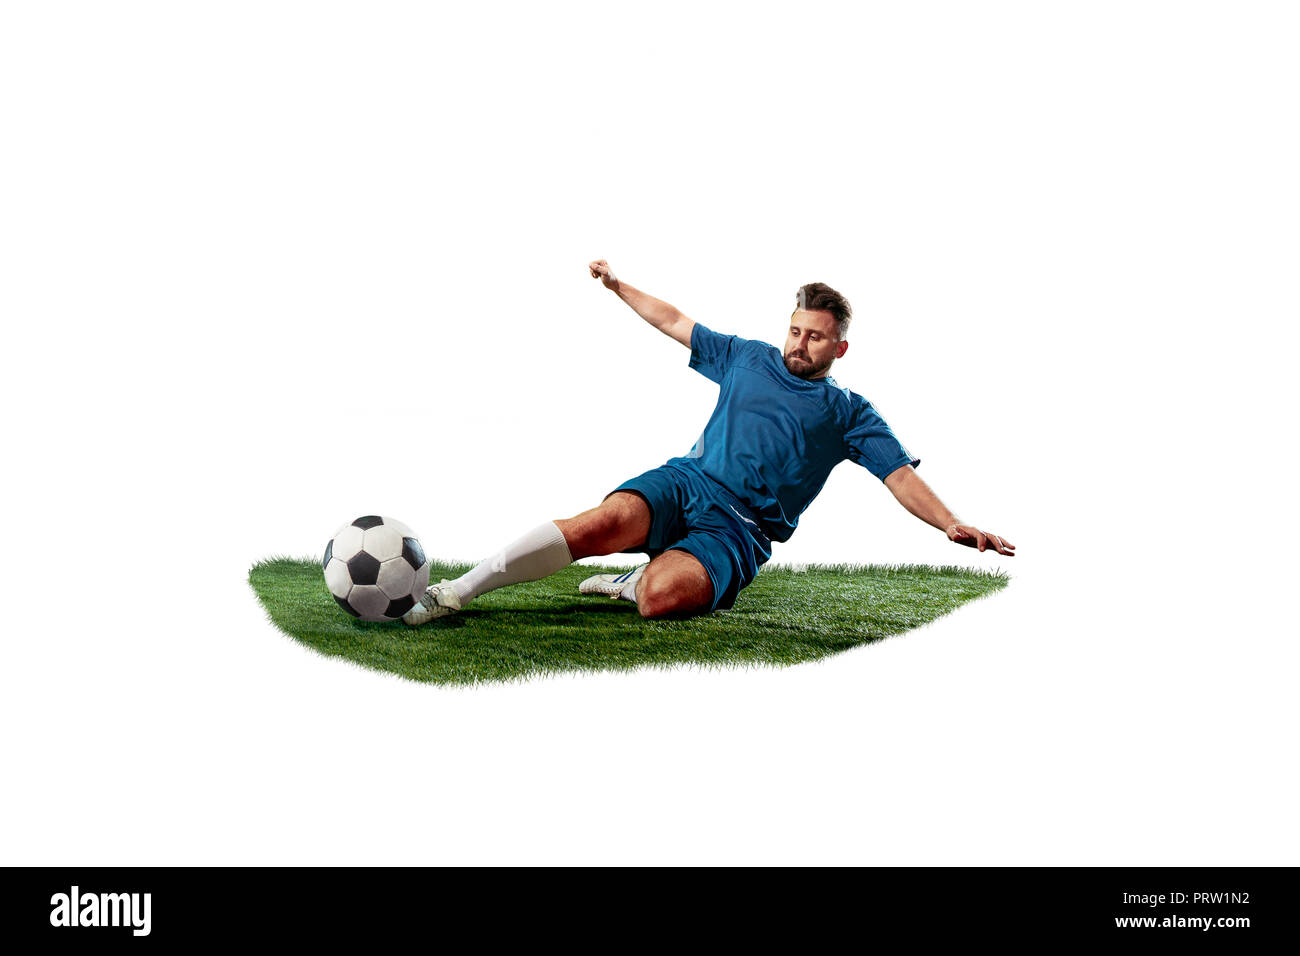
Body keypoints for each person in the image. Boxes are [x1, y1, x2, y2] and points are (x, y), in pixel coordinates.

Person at [403, 260, 1014, 626]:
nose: (799, 343)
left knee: (661, 598)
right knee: (601, 522)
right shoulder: (746, 357)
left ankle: (631, 582)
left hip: (740, 530)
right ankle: (456, 592)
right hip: (687, 483)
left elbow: (900, 476)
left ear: (840, 348)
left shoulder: (849, 413)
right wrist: (619, 286)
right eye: (795, 330)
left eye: (815, 338)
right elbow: (674, 320)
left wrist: (952, 524)